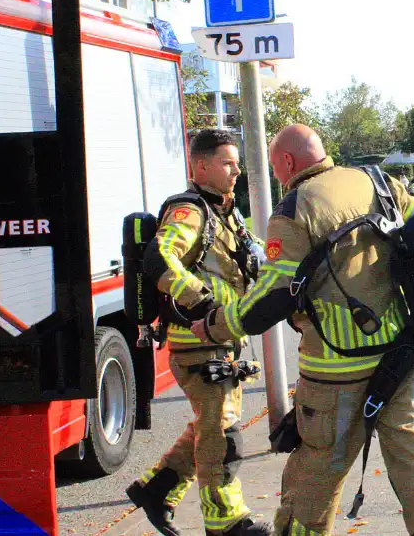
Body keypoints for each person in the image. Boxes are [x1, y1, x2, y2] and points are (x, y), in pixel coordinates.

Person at [188, 124, 414, 536]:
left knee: (315, 469)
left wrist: (213, 325)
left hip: (334, 372)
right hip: (400, 355)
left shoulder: (295, 207)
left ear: (286, 162)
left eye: (274, 167)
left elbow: (274, 294)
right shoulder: (378, 182)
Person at [125, 128, 271, 536]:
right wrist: (201, 302)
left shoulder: (226, 213)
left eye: (237, 162)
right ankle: (226, 522)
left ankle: (157, 489)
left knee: (211, 425)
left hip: (221, 342)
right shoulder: (190, 211)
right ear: (201, 165)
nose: (236, 170)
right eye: (228, 162)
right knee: (222, 435)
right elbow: (160, 258)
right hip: (197, 343)